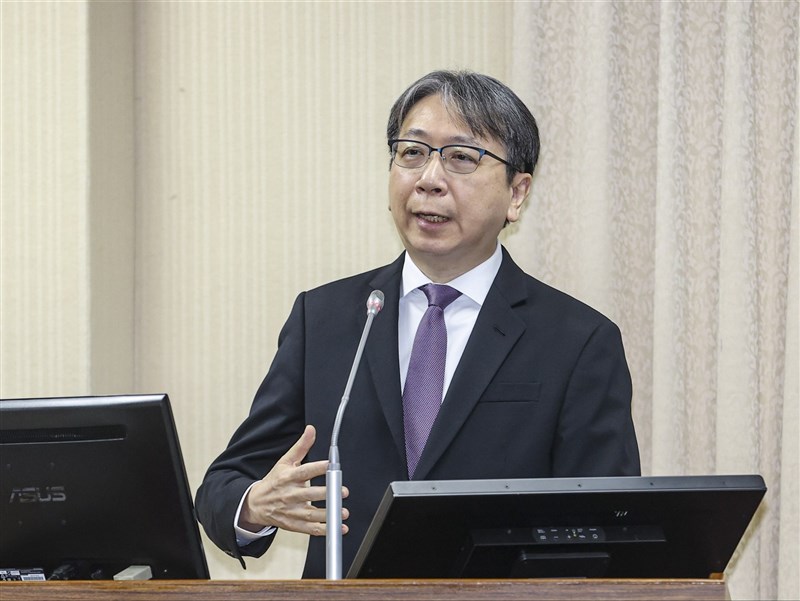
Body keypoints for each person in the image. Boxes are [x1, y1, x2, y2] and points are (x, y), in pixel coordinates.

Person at [195, 70, 640, 578]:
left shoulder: (578, 341)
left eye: (462, 157)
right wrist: (255, 506)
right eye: (412, 152)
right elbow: (224, 485)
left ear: (517, 194)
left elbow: (610, 526)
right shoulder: (325, 319)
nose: (429, 178)